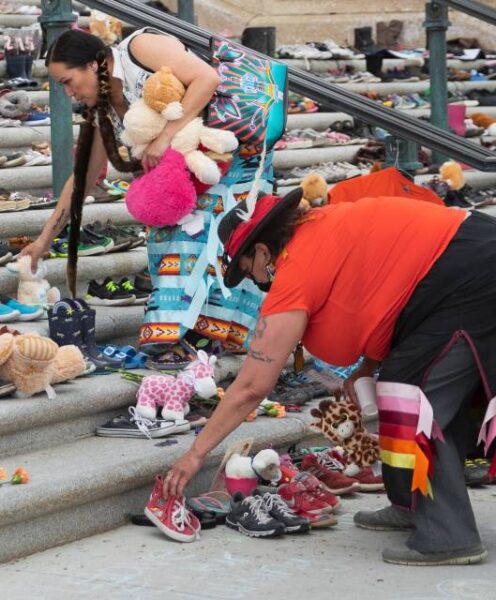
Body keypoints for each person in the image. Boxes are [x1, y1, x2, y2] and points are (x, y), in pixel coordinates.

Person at [163, 190, 495, 566]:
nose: (252, 280)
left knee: (412, 396)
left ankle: (449, 535)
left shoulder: (297, 269)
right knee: (399, 384)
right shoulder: (322, 230)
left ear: (262, 252)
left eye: (246, 268)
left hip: (471, 273)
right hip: (467, 263)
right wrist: (367, 368)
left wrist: (195, 454)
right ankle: (411, 504)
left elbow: (253, 386)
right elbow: (387, 287)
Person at [22, 28, 270, 367]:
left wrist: (166, 136)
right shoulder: (104, 110)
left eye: (68, 81)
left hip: (231, 154)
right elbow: (80, 181)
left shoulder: (138, 47)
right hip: (186, 173)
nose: (68, 93)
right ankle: (183, 338)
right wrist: (43, 240)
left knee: (221, 241)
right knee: (172, 238)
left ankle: (202, 338)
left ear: (93, 65)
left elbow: (206, 78)